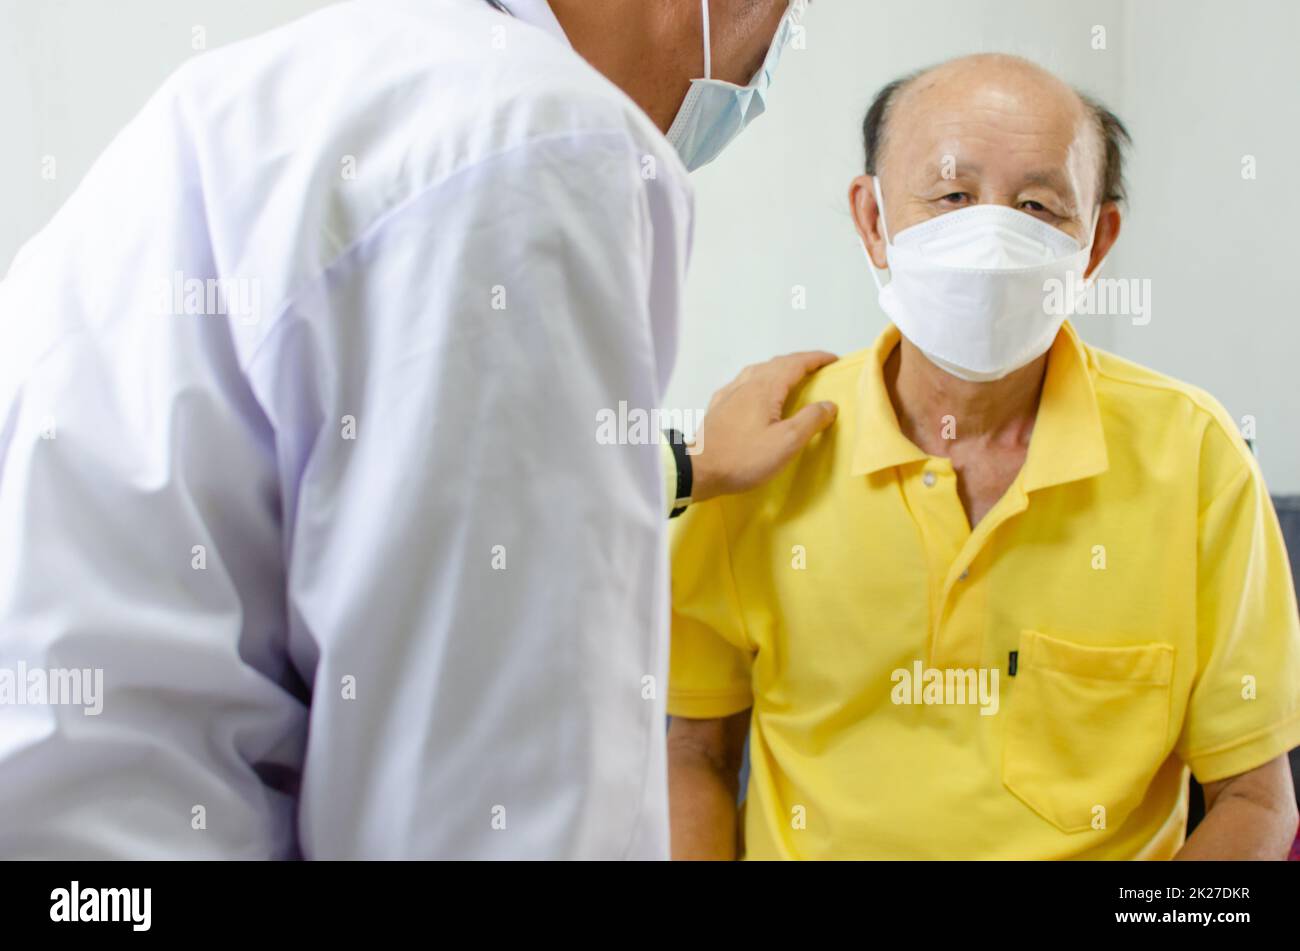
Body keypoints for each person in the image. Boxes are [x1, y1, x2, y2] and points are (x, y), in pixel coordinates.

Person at [0, 0, 834, 859]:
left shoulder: (260, 100)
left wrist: (683, 463)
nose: (767, 54)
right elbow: (491, 820)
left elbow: (337, 485)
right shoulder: (536, 139)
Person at [666, 53, 1300, 860]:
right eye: (953, 195)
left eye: (1038, 205)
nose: (993, 237)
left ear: (1096, 242)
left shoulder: (1194, 457)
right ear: (873, 221)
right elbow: (694, 751)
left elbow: (1254, 800)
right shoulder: (762, 448)